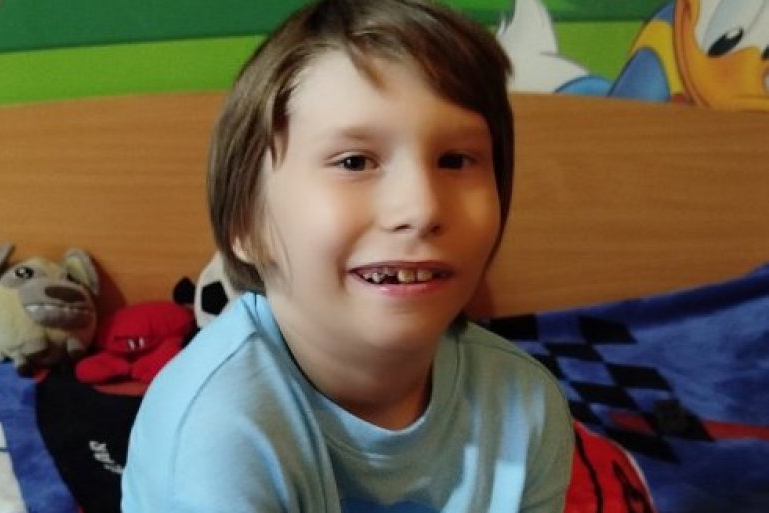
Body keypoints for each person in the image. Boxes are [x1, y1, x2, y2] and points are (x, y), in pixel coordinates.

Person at [122, 0, 574, 511]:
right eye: (355, 162)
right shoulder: (219, 431)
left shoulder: (525, 405)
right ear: (246, 223)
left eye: (455, 160)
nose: (422, 208)